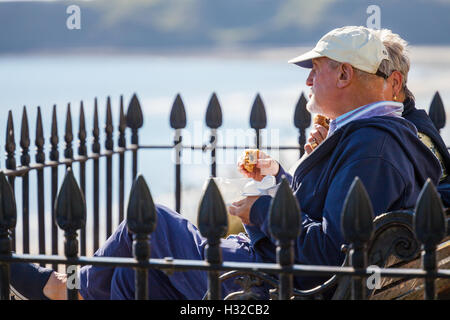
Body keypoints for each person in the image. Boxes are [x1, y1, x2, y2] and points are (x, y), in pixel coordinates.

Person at [10, 26, 442, 300]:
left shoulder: (371, 147)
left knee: (150, 221)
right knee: (131, 279)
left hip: (266, 282)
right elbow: (327, 221)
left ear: (346, 76)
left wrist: (260, 212)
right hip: (267, 266)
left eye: (316, 69)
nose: (308, 80)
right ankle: (70, 291)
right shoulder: (365, 138)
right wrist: (281, 179)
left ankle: (59, 290)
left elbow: (326, 257)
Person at [304, 28, 450, 207]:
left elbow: (344, 226)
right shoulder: (385, 133)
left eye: (371, 75)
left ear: (395, 83)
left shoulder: (393, 139)